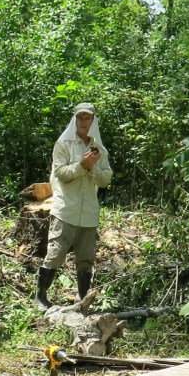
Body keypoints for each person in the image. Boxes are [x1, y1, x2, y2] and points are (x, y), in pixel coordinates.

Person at [35, 102, 113, 309]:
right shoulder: (63, 144)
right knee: (55, 254)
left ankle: (82, 299)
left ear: (93, 121)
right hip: (66, 209)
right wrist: (82, 165)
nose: (84, 122)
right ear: (75, 120)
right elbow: (61, 174)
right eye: (80, 118)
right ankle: (40, 297)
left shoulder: (99, 149)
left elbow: (105, 180)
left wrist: (92, 168)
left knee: (86, 259)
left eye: (88, 118)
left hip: (89, 212)